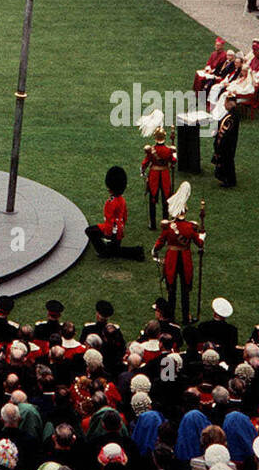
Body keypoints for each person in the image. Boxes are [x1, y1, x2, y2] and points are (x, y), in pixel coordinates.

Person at [153, 182, 204, 325]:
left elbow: (160, 242)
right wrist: (202, 235)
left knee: (171, 289)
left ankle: (170, 317)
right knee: (185, 291)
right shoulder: (190, 227)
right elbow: (200, 244)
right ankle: (185, 317)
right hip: (185, 259)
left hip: (171, 259)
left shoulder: (169, 227)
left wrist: (155, 250)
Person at [85, 165, 143, 260]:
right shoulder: (122, 199)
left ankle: (104, 252)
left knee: (89, 231)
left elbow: (109, 220)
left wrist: (108, 235)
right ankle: (136, 252)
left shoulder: (111, 202)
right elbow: (124, 216)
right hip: (119, 230)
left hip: (112, 231)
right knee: (115, 250)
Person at [140, 116, 175, 229]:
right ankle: (165, 221)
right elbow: (173, 161)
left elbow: (145, 162)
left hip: (154, 174)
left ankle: (153, 224)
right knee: (166, 199)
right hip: (165, 174)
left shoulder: (151, 150)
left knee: (152, 199)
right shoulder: (168, 150)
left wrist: (143, 170)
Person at [211, 103, 240, 188]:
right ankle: (225, 179)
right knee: (226, 161)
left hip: (228, 143)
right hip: (227, 142)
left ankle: (229, 181)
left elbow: (227, 132)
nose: (224, 105)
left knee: (227, 161)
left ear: (231, 104)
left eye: (226, 103)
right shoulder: (231, 114)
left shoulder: (232, 117)